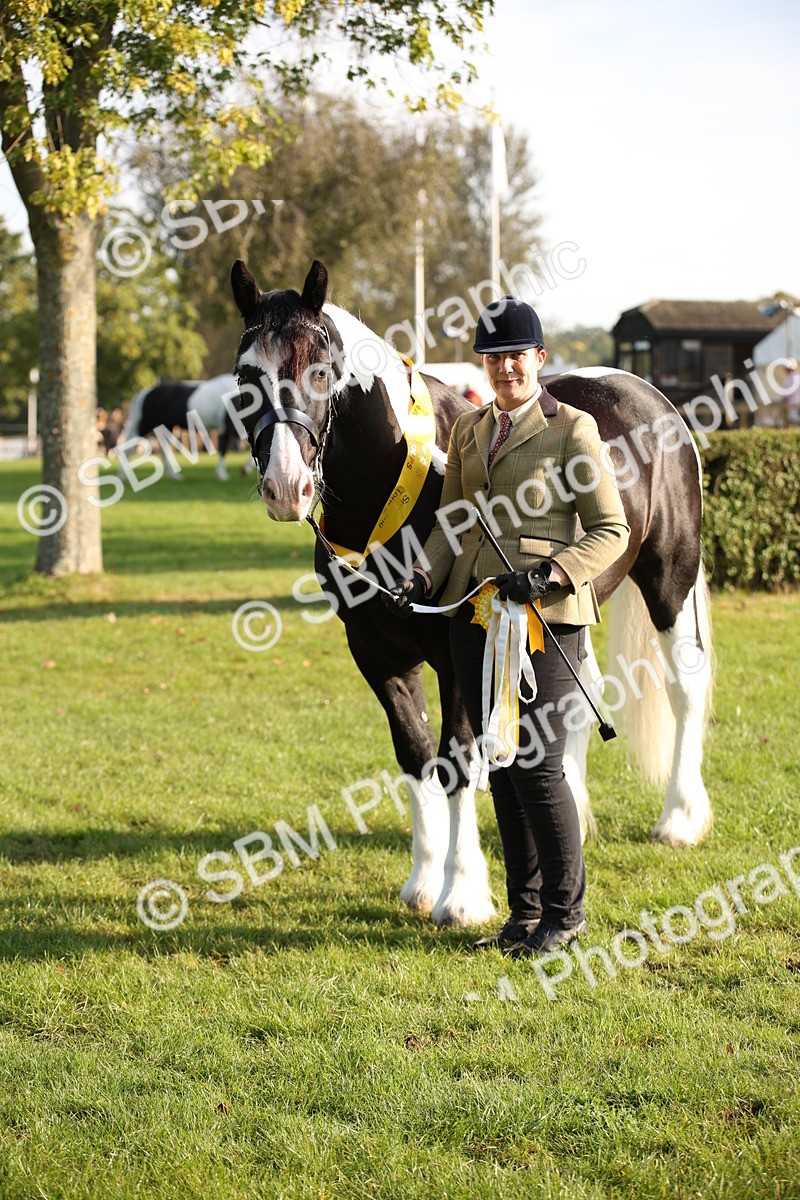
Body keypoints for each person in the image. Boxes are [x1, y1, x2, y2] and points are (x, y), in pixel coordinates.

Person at [383, 296, 630, 957]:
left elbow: (612, 531)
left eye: (515, 356)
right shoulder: (467, 429)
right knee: (499, 765)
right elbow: (455, 521)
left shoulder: (573, 430)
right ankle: (523, 917)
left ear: (539, 359)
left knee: (539, 766)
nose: (504, 368)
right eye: (492, 358)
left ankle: (565, 915)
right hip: (476, 616)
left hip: (544, 622)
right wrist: (424, 576)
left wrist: (550, 575)